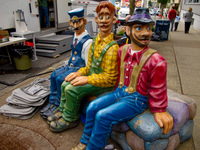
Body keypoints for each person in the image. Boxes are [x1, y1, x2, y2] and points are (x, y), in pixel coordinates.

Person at [72, 8, 173, 150]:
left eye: (149, 28)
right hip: (119, 92)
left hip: (137, 99)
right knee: (93, 107)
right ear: (128, 31)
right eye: (139, 28)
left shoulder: (156, 60)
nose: (146, 33)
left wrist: (160, 109)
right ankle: (85, 141)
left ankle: (95, 147)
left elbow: (158, 87)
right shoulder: (122, 50)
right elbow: (118, 74)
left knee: (102, 116)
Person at [48, 1, 119, 132]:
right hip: (93, 77)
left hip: (102, 83)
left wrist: (87, 79)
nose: (104, 21)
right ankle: (63, 111)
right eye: (101, 17)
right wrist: (80, 73)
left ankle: (70, 118)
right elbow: (89, 66)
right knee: (65, 84)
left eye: (108, 17)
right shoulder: (94, 42)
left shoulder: (113, 48)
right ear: (96, 19)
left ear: (114, 19)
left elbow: (109, 79)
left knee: (71, 89)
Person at [40, 8, 92, 119]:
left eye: (78, 21)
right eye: (73, 22)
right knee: (54, 75)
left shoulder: (88, 42)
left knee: (60, 79)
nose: (76, 25)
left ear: (84, 22)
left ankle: (58, 105)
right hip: (70, 66)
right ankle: (52, 102)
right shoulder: (75, 36)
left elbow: (88, 65)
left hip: (79, 68)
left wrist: (82, 74)